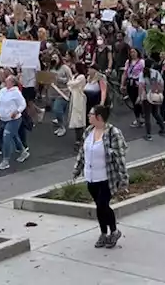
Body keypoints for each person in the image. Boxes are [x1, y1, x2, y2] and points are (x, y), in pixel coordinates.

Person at [71, 105, 128, 248]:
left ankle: (114, 231)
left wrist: (123, 179)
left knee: (103, 204)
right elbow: (82, 153)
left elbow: (120, 157)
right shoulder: (89, 131)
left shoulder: (113, 133)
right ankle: (103, 233)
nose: (88, 116)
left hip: (106, 177)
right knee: (99, 206)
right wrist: (77, 170)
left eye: (91, 114)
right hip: (91, 177)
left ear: (99, 117)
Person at [0, 75, 28, 170]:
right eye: (6, 80)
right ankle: (23, 151)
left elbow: (23, 104)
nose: (5, 81)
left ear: (13, 83)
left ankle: (5, 160)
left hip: (14, 119)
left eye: (8, 81)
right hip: (3, 119)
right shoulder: (2, 91)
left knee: (7, 137)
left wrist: (17, 111)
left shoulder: (16, 92)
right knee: (14, 136)